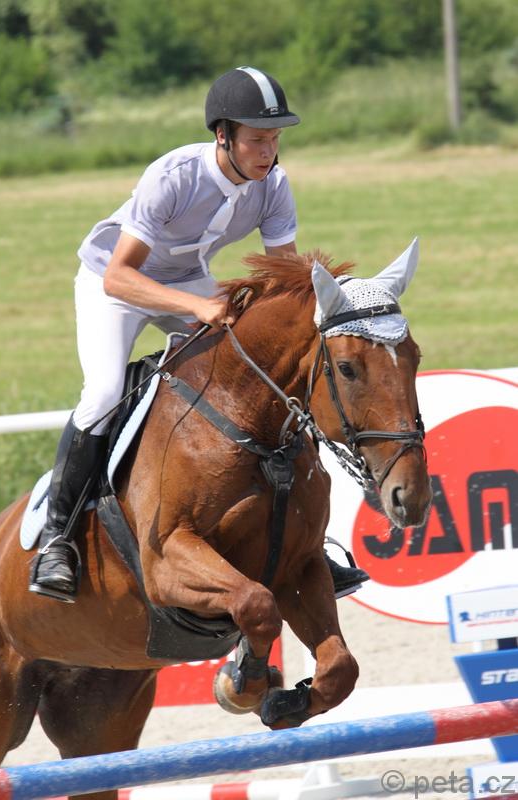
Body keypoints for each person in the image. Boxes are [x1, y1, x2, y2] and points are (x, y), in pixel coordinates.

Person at [29, 66, 368, 603]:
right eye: (257, 140)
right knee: (103, 393)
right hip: (113, 285)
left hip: (187, 281)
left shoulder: (273, 185)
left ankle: (305, 542)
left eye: (275, 139)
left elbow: (285, 279)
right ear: (223, 135)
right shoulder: (173, 176)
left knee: (265, 374)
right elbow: (119, 275)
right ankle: (57, 539)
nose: (268, 152)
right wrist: (197, 306)